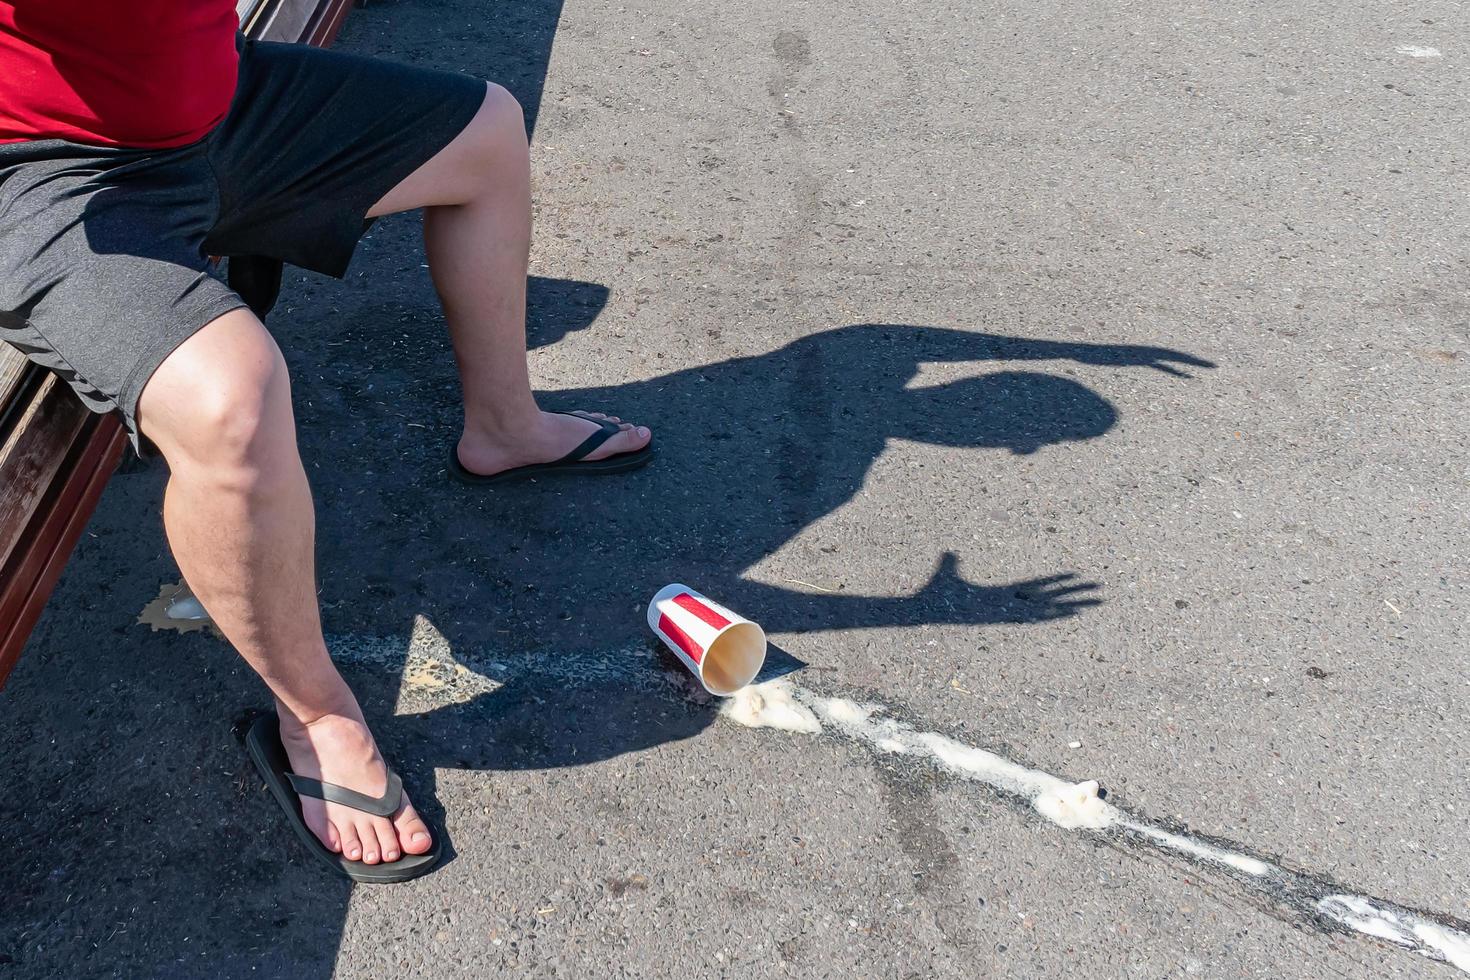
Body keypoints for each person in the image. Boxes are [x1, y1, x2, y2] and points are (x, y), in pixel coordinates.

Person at [0, 1, 653, 881]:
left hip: (214, 105)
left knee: (487, 130)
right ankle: (316, 717)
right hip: (47, 174)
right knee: (235, 399)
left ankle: (506, 425)